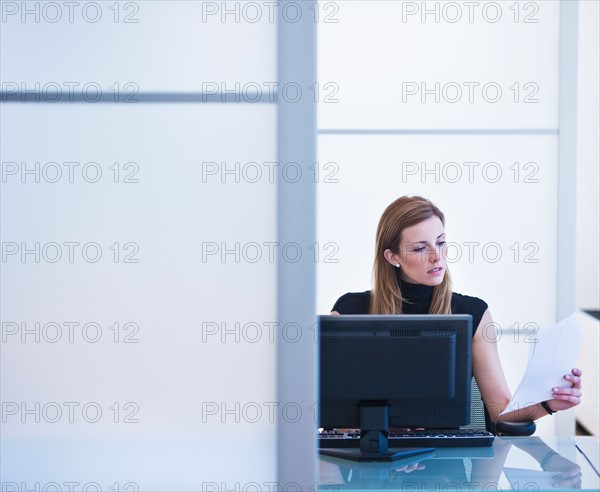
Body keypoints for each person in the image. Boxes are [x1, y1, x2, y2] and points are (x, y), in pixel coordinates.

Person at [331, 195, 582, 424]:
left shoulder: (473, 313)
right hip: (374, 459)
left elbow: (500, 411)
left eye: (441, 243)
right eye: (420, 248)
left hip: (445, 464)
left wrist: (548, 405)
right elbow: (332, 412)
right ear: (392, 257)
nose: (436, 256)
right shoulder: (349, 311)